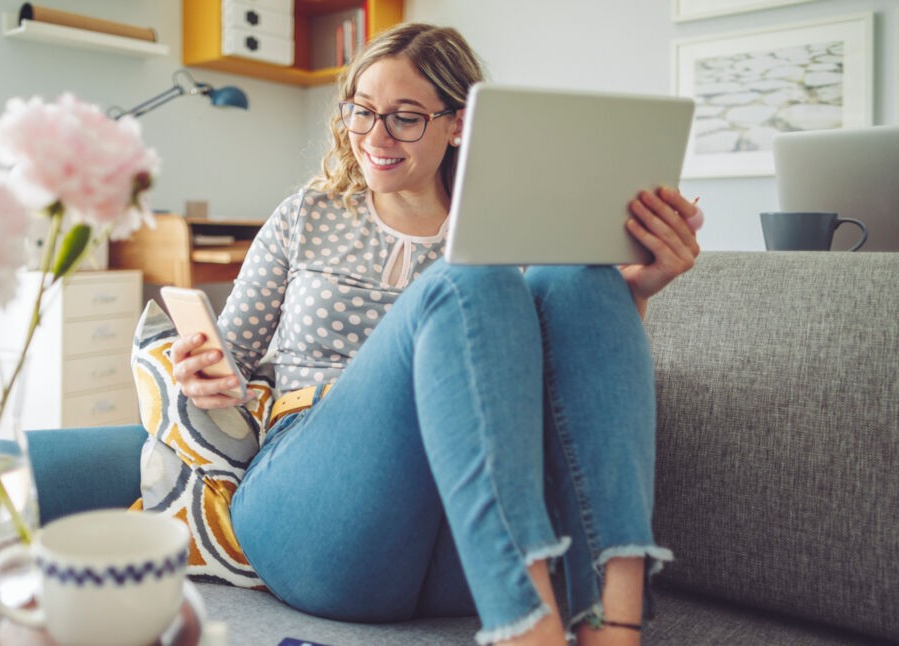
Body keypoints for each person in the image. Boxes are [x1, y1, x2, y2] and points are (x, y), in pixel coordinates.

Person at [170, 22, 701, 646]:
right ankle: (525, 629)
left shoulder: (518, 230)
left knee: (580, 274)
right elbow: (227, 356)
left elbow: (570, 396)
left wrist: (634, 290)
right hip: (317, 514)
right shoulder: (306, 216)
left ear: (457, 125)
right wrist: (202, 371)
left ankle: (612, 624)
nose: (376, 137)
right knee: (466, 281)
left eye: (405, 118)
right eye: (362, 111)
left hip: (461, 541)